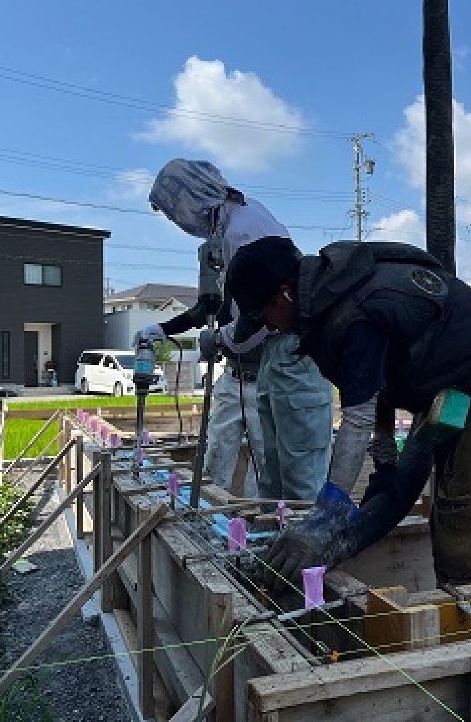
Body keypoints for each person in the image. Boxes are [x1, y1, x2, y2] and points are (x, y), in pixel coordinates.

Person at [226, 236, 471, 589]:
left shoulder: (352, 310)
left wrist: (326, 520)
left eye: (263, 313)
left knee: (466, 544)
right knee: (446, 520)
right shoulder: (332, 302)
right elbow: (379, 387)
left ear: (285, 294)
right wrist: (386, 461)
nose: (268, 326)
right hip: (447, 394)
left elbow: (356, 420)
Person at [136, 159, 333, 502]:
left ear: (189, 199)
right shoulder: (225, 227)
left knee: (281, 470)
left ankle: (280, 540)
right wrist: (164, 328)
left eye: (173, 213)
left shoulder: (245, 232)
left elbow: (259, 316)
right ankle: (231, 529)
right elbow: (217, 306)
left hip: (276, 360)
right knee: (239, 459)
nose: (175, 222)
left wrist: (222, 338)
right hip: (246, 366)